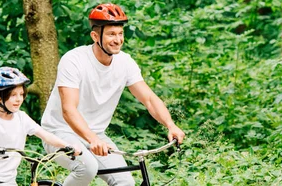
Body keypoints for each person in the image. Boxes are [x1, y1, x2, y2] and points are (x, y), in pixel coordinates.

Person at [40, 3, 186, 186]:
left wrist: (170, 125)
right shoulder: (74, 60)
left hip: (96, 135)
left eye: (120, 34)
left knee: (125, 182)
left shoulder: (125, 62)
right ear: (95, 36)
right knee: (87, 168)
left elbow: (148, 99)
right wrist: (92, 139)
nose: (118, 40)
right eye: (111, 34)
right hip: (59, 133)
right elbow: (69, 110)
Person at [0, 67, 81, 186]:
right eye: (13, 95)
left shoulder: (22, 118)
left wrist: (67, 146)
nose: (19, 99)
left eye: (21, 94)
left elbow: (46, 136)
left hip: (8, 179)